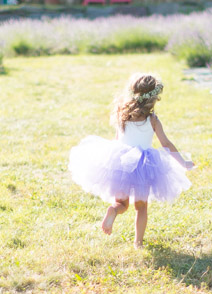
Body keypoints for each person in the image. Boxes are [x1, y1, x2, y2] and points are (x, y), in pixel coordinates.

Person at [69, 73, 194, 248]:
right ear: (153, 99)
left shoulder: (122, 113)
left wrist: (109, 158)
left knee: (121, 203)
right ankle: (138, 243)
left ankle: (113, 210)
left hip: (119, 161)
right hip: (144, 165)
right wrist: (184, 163)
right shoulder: (152, 120)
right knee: (141, 207)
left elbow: (116, 139)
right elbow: (166, 143)